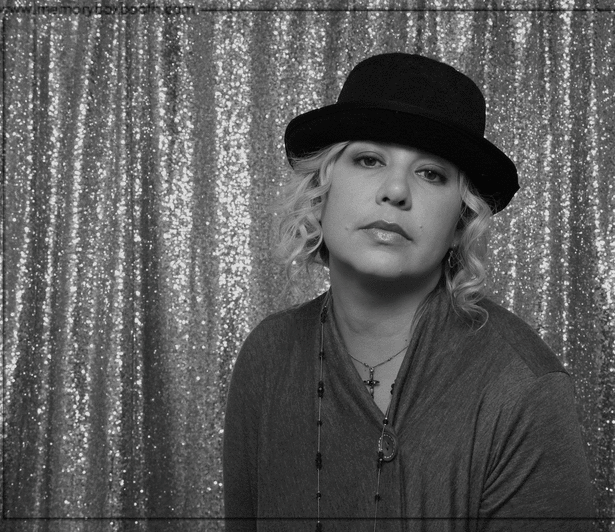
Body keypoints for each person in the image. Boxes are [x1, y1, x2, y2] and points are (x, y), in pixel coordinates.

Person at [223, 52, 596, 531]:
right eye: (369, 159)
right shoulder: (268, 357)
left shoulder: (523, 389)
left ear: (460, 221)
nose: (395, 190)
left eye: (431, 173)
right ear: (320, 191)